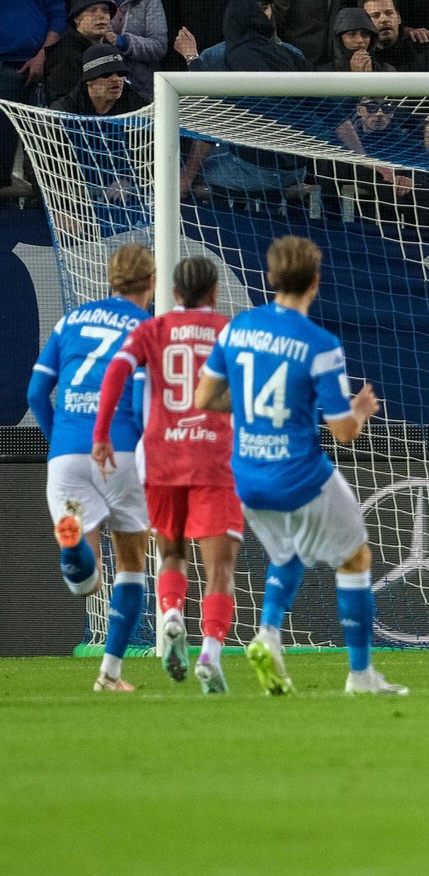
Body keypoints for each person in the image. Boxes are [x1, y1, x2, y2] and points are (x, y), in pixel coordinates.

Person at [194, 235, 405, 697]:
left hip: (248, 477)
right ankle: (361, 675)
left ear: (270, 278)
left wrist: (250, 409)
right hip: (299, 475)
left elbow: (204, 397)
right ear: (315, 282)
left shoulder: (236, 329)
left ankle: (268, 633)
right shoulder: (319, 344)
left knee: (286, 553)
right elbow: (343, 431)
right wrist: (362, 410)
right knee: (355, 558)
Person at [89, 255, 238, 693]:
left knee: (171, 553)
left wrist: (101, 433)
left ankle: (172, 613)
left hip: (160, 457)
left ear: (174, 293)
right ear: (213, 292)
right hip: (214, 458)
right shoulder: (228, 331)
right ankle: (209, 653)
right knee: (221, 568)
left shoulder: (152, 329)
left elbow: (116, 369)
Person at [30, 241, 152, 690]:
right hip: (118, 449)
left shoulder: (70, 321)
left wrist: (58, 441)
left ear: (110, 278)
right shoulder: (145, 326)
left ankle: (71, 543)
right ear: (152, 281)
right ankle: (110, 673)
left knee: (84, 582)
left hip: (65, 452)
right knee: (132, 562)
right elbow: (140, 404)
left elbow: (34, 394)